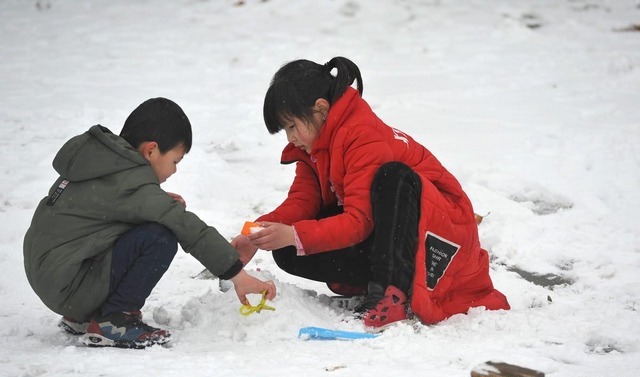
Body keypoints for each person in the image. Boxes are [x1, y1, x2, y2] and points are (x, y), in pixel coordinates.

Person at [232, 57, 509, 329]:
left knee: (392, 177)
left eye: (292, 126)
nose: (290, 138)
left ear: (321, 109)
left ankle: (393, 293)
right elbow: (303, 200)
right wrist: (258, 233)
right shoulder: (313, 147)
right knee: (288, 249)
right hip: (396, 235)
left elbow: (359, 221)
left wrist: (293, 233)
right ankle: (378, 282)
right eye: (285, 130)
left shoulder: (362, 135)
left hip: (443, 234)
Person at [23, 97, 276, 349]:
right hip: (71, 287)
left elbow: (96, 208)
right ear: (151, 150)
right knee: (160, 236)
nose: (174, 171)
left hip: (52, 275)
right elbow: (187, 227)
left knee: (154, 220)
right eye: (175, 161)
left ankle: (82, 316)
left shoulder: (101, 162)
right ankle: (114, 320)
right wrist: (235, 273)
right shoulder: (132, 184)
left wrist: (155, 200)